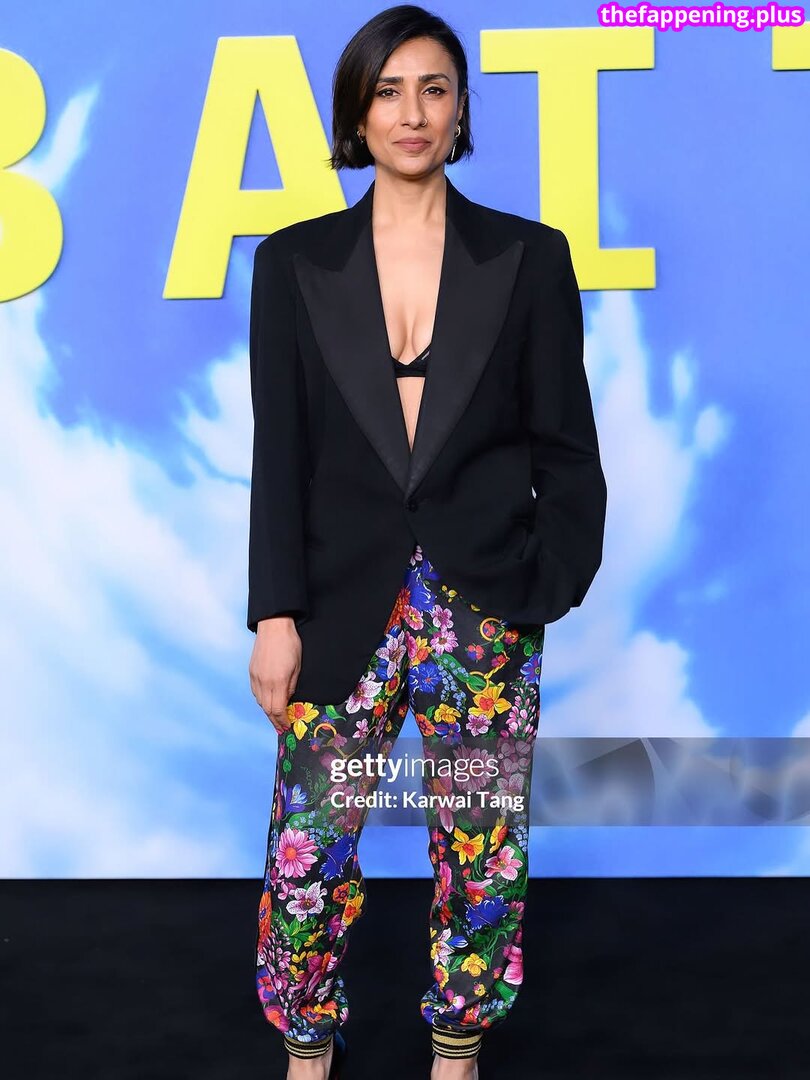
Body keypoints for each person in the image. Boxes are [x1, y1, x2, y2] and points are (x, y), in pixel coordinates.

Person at [247, 5, 608, 1079]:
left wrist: (548, 583)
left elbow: (568, 445)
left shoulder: (529, 258)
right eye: (389, 90)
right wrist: (274, 614)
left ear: (460, 112)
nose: (413, 112)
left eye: (435, 89)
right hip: (336, 601)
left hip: (484, 600)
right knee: (311, 843)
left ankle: (459, 1047)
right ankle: (307, 1045)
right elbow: (281, 456)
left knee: (481, 843)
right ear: (357, 114)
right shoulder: (293, 263)